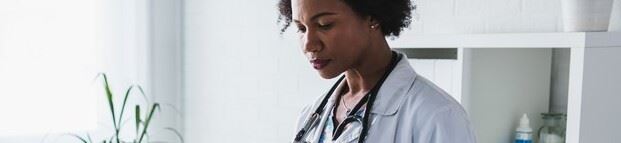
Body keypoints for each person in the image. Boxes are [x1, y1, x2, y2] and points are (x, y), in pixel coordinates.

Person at [277, 0, 477, 142]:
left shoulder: (437, 117)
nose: (309, 44)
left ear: (372, 17)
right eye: (301, 29)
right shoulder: (311, 117)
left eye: (325, 25)